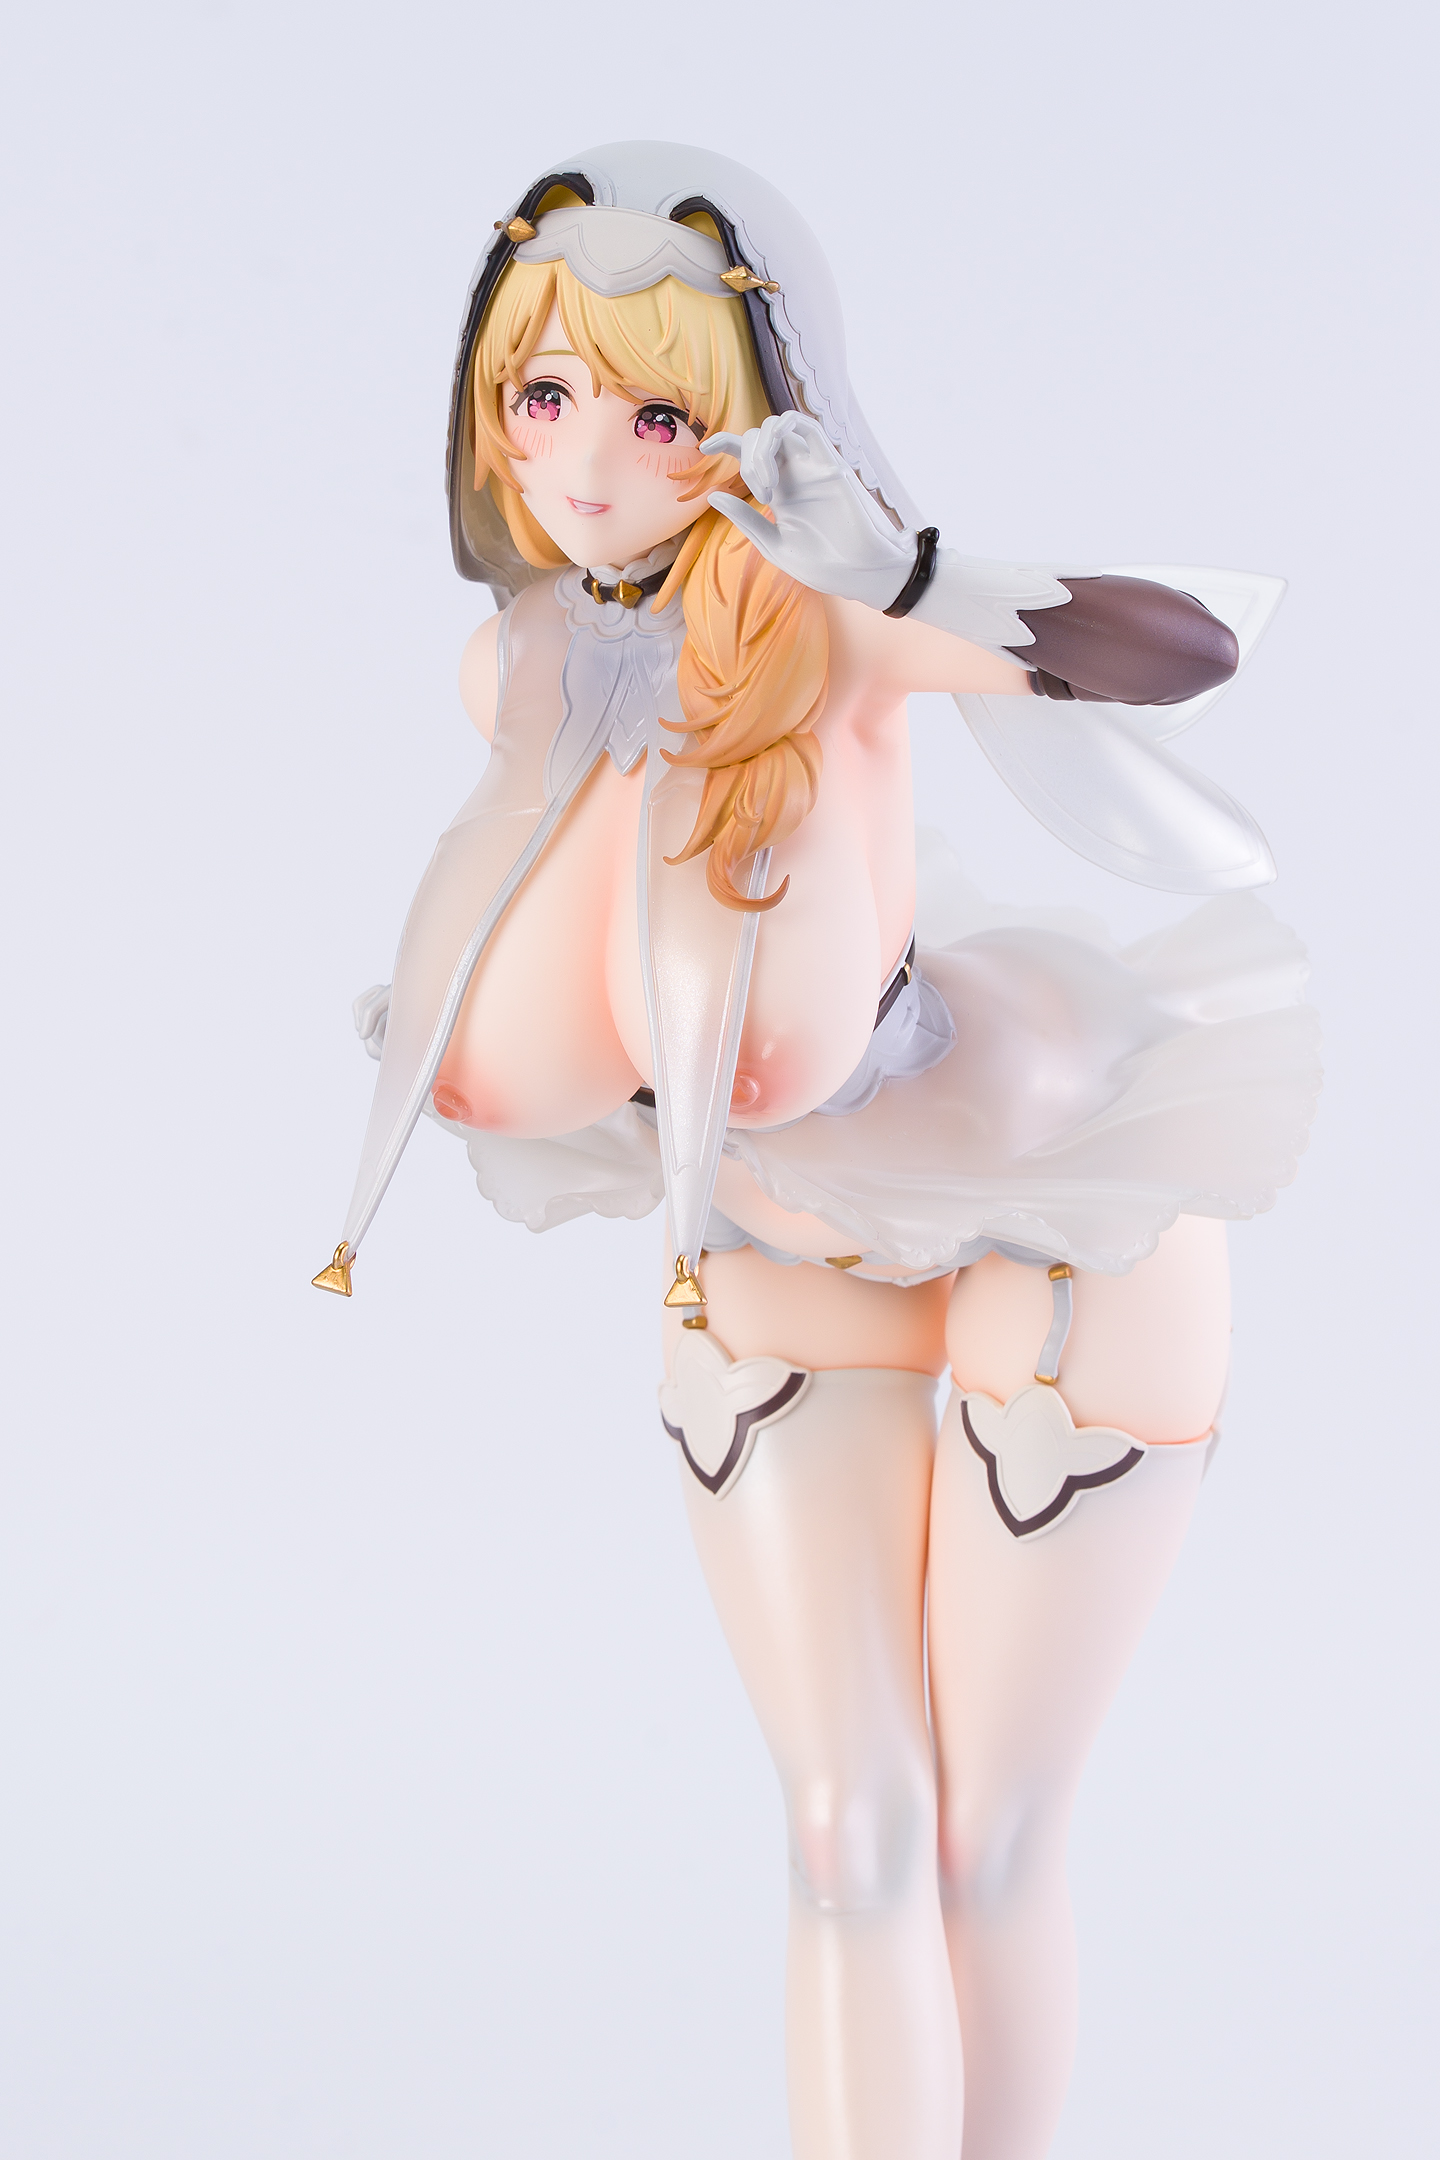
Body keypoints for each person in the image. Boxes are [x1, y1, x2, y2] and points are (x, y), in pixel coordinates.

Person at [316, 143, 1319, 2160]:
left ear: (756, 415)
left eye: (656, 410)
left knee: (983, 1835)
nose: (581, 458)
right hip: (776, 1239)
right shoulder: (518, 672)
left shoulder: (839, 628)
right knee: (848, 1830)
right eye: (540, 392)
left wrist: (902, 570)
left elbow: (1188, 653)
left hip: (1059, 1224)